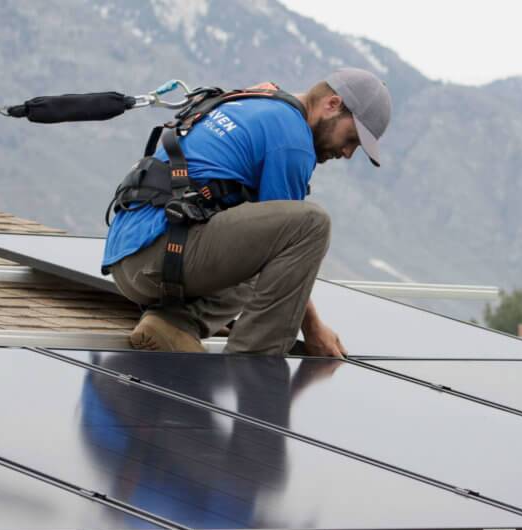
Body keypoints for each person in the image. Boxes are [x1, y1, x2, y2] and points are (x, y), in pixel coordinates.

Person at [101, 68, 391, 356]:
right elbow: (290, 247)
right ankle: (253, 369)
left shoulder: (257, 101)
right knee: (311, 226)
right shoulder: (292, 140)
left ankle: (173, 324)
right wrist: (313, 329)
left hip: (131, 256)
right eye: (351, 139)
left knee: (268, 248)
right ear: (332, 104)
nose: (348, 153)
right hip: (159, 256)